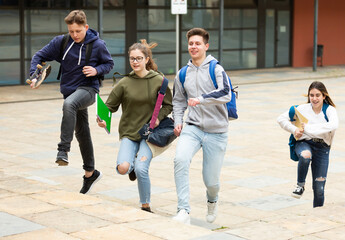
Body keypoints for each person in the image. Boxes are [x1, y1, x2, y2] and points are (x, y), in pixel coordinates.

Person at [29, 10, 114, 194]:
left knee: (69, 105)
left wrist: (96, 70)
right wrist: (34, 76)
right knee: (82, 132)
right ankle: (90, 173)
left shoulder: (97, 44)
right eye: (71, 31)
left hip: (89, 90)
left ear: (86, 27)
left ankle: (62, 151)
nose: (74, 35)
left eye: (78, 31)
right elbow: (39, 56)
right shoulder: (62, 42)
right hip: (69, 91)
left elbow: (109, 64)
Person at [97, 39, 173, 212]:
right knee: (123, 168)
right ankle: (130, 164)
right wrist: (101, 120)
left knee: (142, 169)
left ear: (146, 59)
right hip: (129, 133)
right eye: (132, 58)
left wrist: (159, 118)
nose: (135, 62)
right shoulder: (124, 83)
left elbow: (169, 105)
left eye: (139, 58)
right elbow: (108, 107)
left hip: (149, 134)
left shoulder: (159, 81)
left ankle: (145, 205)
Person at [172, 28, 231, 224]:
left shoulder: (216, 69)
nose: (193, 47)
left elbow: (226, 94)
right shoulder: (182, 73)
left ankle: (212, 200)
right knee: (180, 159)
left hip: (217, 131)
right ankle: (183, 210)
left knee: (211, 181)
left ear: (206, 46)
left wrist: (201, 99)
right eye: (191, 43)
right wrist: (178, 121)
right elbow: (178, 101)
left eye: (198, 43)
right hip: (193, 127)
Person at [277, 81, 338, 207]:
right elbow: (281, 119)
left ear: (324, 96)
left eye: (317, 95)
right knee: (305, 156)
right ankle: (300, 186)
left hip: (322, 148)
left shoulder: (329, 110)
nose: (314, 99)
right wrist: (295, 130)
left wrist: (309, 128)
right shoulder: (302, 109)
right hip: (305, 143)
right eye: (311, 95)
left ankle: (318, 213)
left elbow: (333, 125)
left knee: (319, 189)